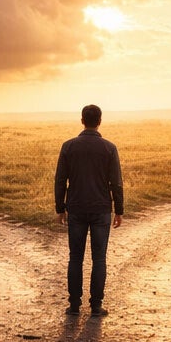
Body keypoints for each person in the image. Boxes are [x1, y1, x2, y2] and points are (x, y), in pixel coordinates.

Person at [54, 103, 124, 316]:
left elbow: (60, 180)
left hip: (75, 208)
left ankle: (74, 305)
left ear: (82, 120)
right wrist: (119, 210)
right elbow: (116, 184)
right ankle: (96, 305)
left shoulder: (68, 146)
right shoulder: (109, 148)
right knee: (99, 258)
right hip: (101, 209)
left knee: (75, 257)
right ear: (99, 121)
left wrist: (60, 208)